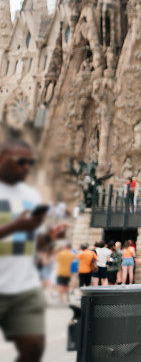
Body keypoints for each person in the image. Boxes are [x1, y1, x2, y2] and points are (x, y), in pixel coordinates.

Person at [0, 138, 68, 361]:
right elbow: (17, 230)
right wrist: (15, 226)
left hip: (24, 287)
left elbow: (29, 244)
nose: (27, 167)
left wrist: (49, 238)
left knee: (34, 347)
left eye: (31, 162)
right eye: (21, 161)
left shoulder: (31, 197)